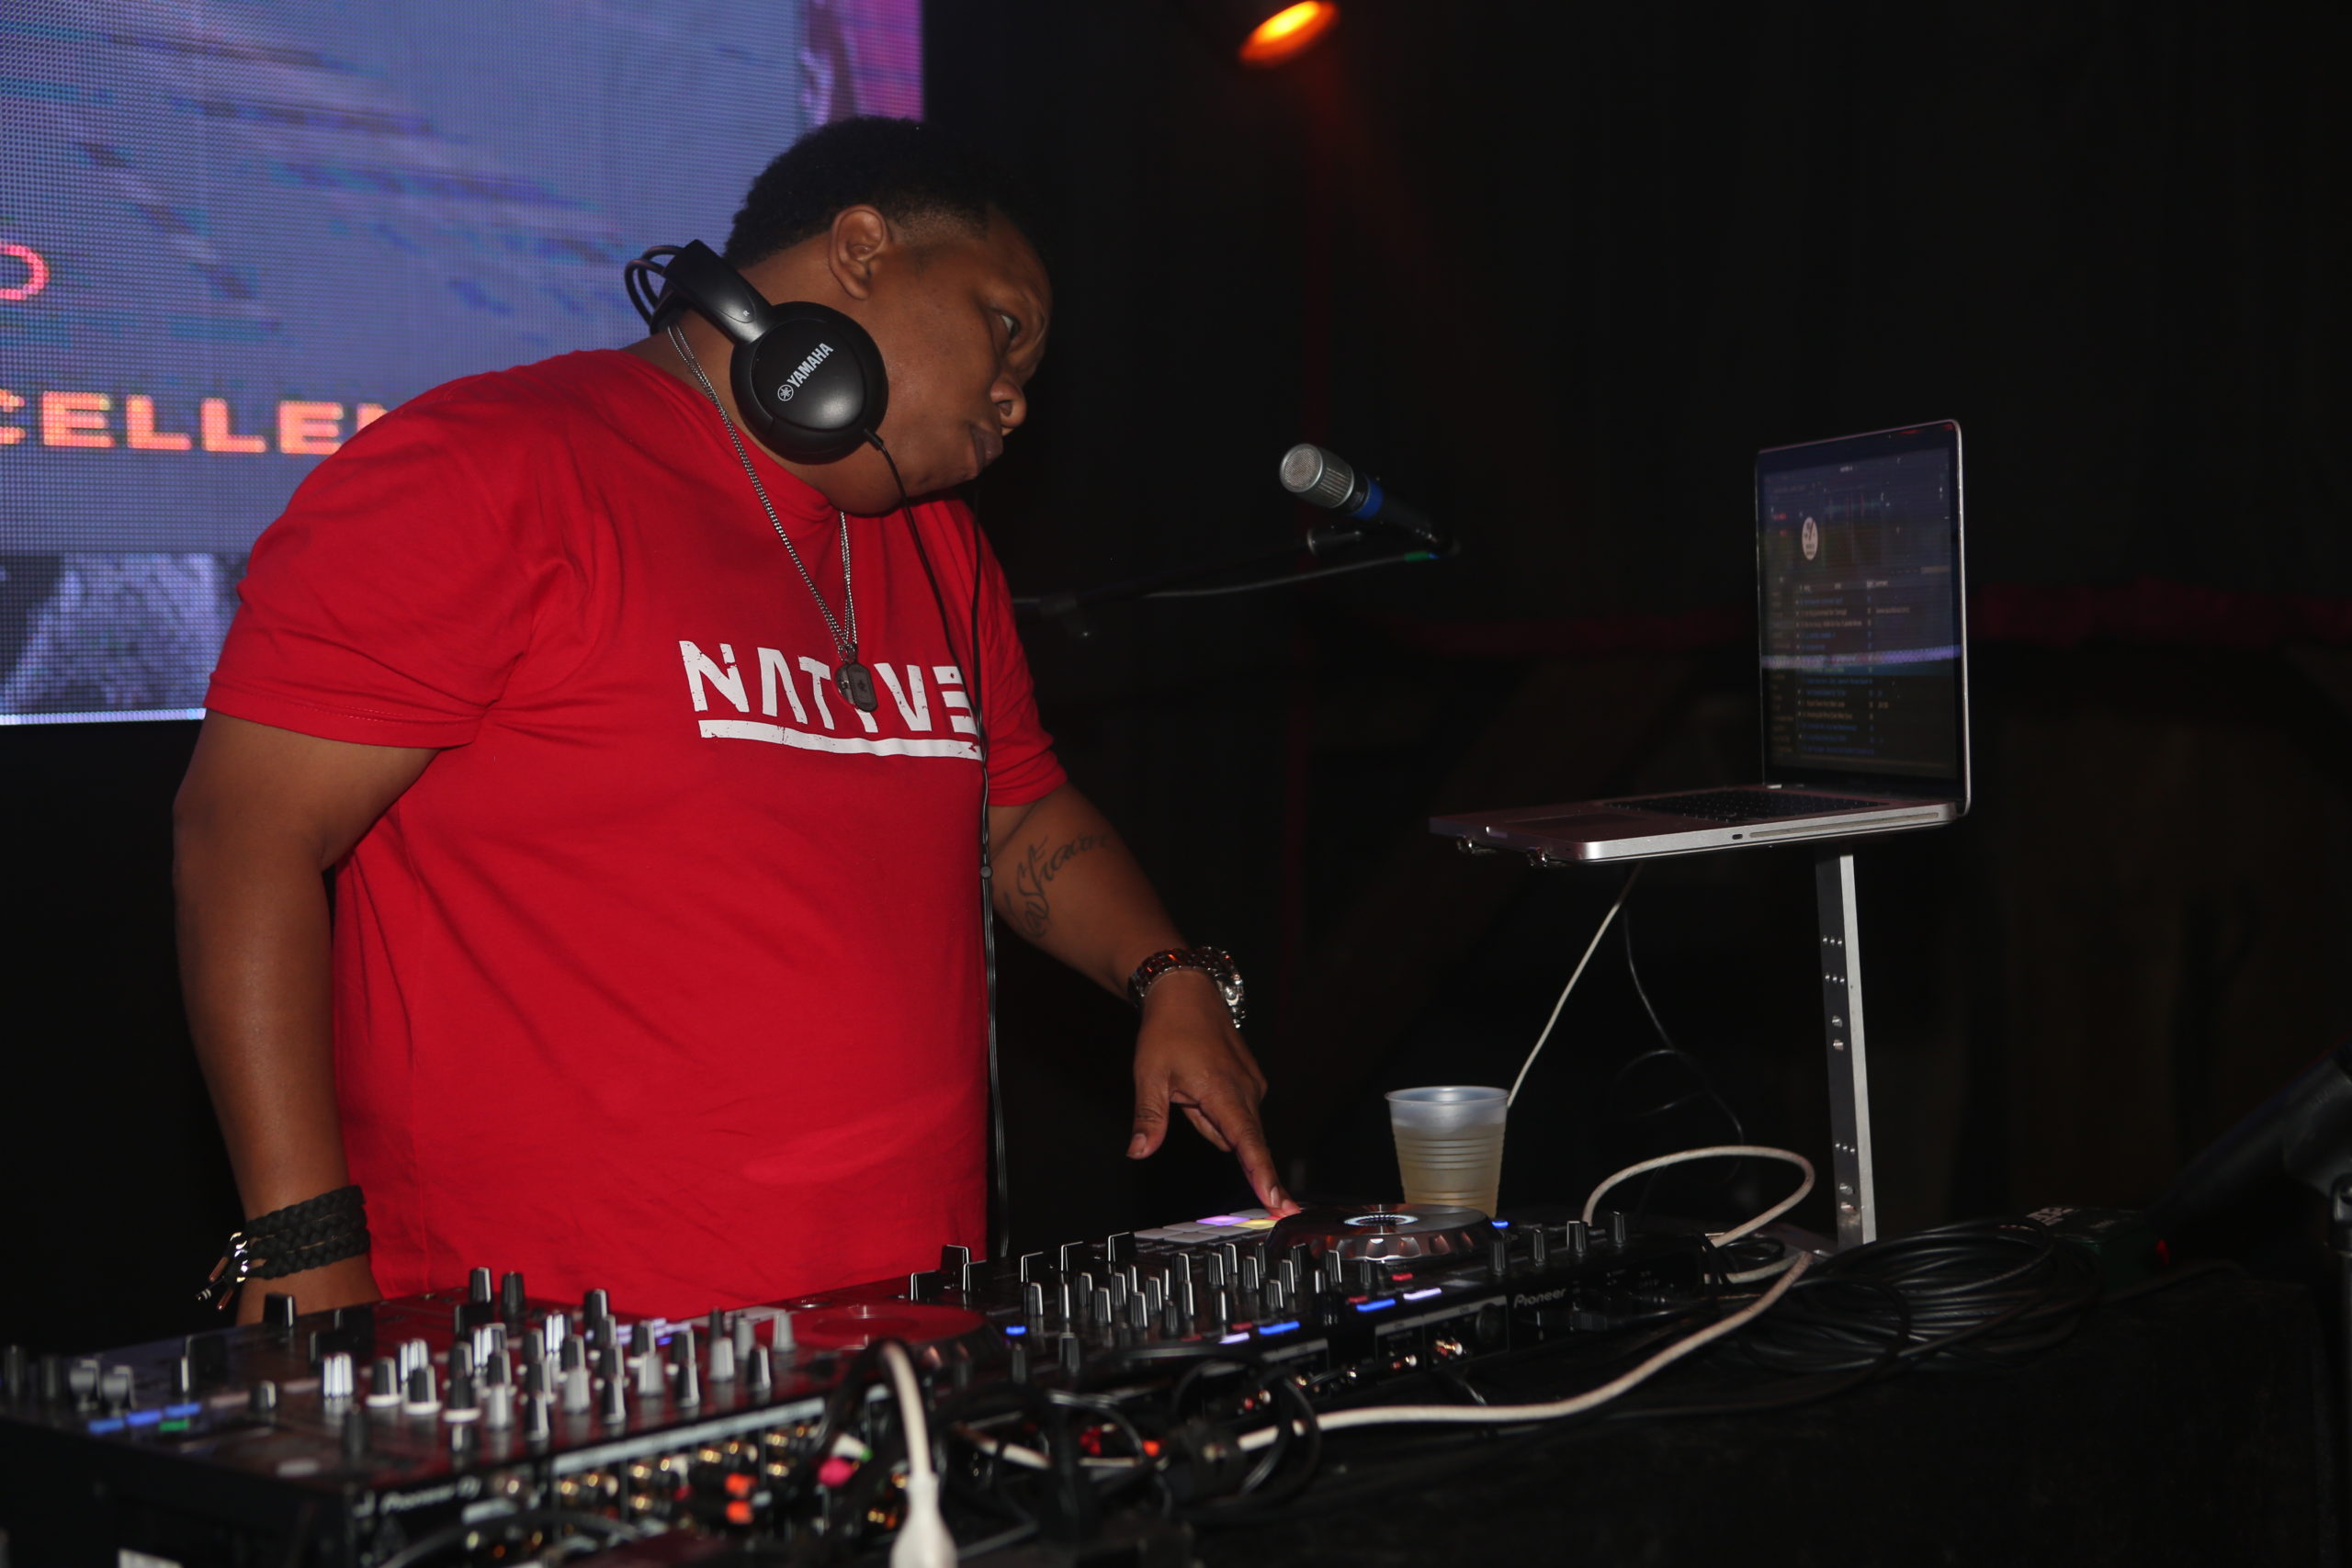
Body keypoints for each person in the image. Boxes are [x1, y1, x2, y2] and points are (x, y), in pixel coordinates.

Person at [174, 117, 1295, 1326]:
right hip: (552, 1336)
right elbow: (243, 839)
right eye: (1004, 328)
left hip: (907, 1325)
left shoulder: (937, 549)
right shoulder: (494, 466)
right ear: (863, 251)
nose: (1017, 401)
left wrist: (1167, 975)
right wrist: (299, 1243)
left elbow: (1016, 812)